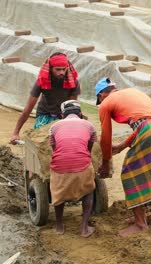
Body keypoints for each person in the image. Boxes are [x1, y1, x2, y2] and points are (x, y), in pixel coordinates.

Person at [95, 77, 151, 237]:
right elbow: (144, 122)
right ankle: (143, 213)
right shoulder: (132, 92)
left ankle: (140, 224)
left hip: (148, 129)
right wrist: (122, 146)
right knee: (145, 170)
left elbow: (106, 137)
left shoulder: (105, 103)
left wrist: (105, 162)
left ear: (101, 96)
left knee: (130, 172)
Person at [49, 100, 96, 237]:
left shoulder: (54, 126)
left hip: (59, 165)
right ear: (80, 114)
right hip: (82, 164)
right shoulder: (90, 126)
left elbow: (54, 149)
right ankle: (84, 228)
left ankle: (58, 226)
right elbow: (89, 149)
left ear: (62, 116)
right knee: (89, 190)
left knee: (58, 193)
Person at [10, 52, 80, 144]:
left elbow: (71, 108)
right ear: (51, 69)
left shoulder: (73, 82)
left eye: (64, 69)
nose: (61, 72)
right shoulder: (41, 81)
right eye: (58, 69)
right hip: (44, 114)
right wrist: (16, 132)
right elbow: (27, 109)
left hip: (63, 115)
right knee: (42, 140)